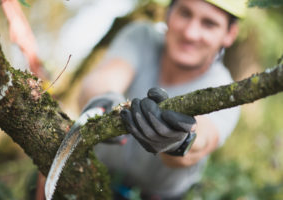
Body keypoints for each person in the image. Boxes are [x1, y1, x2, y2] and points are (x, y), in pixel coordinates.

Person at [79, 0, 245, 199]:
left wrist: (180, 140)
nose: (190, 33)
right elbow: (105, 77)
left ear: (230, 34)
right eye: (184, 13)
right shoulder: (141, 37)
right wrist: (105, 100)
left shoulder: (227, 90)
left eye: (209, 24)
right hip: (87, 178)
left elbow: (201, 141)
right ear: (168, 13)